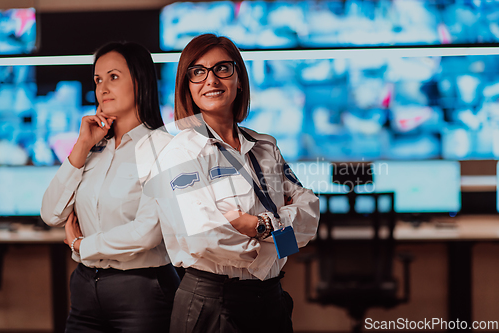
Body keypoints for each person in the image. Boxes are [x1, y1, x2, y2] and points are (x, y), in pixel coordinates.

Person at [145, 34, 319, 333]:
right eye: (198, 72)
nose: (211, 80)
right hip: (213, 302)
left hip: (271, 301)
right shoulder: (179, 153)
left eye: (222, 69)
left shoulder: (265, 147)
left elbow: (310, 216)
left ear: (239, 79)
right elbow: (205, 238)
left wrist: (256, 226)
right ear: (187, 86)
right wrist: (280, 233)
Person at [41, 41, 180, 332]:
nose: (102, 88)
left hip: (142, 292)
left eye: (113, 77)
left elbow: (147, 232)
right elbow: (51, 214)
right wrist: (80, 147)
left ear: (140, 81)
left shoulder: (164, 148)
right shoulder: (92, 148)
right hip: (84, 288)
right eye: (98, 79)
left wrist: (81, 245)